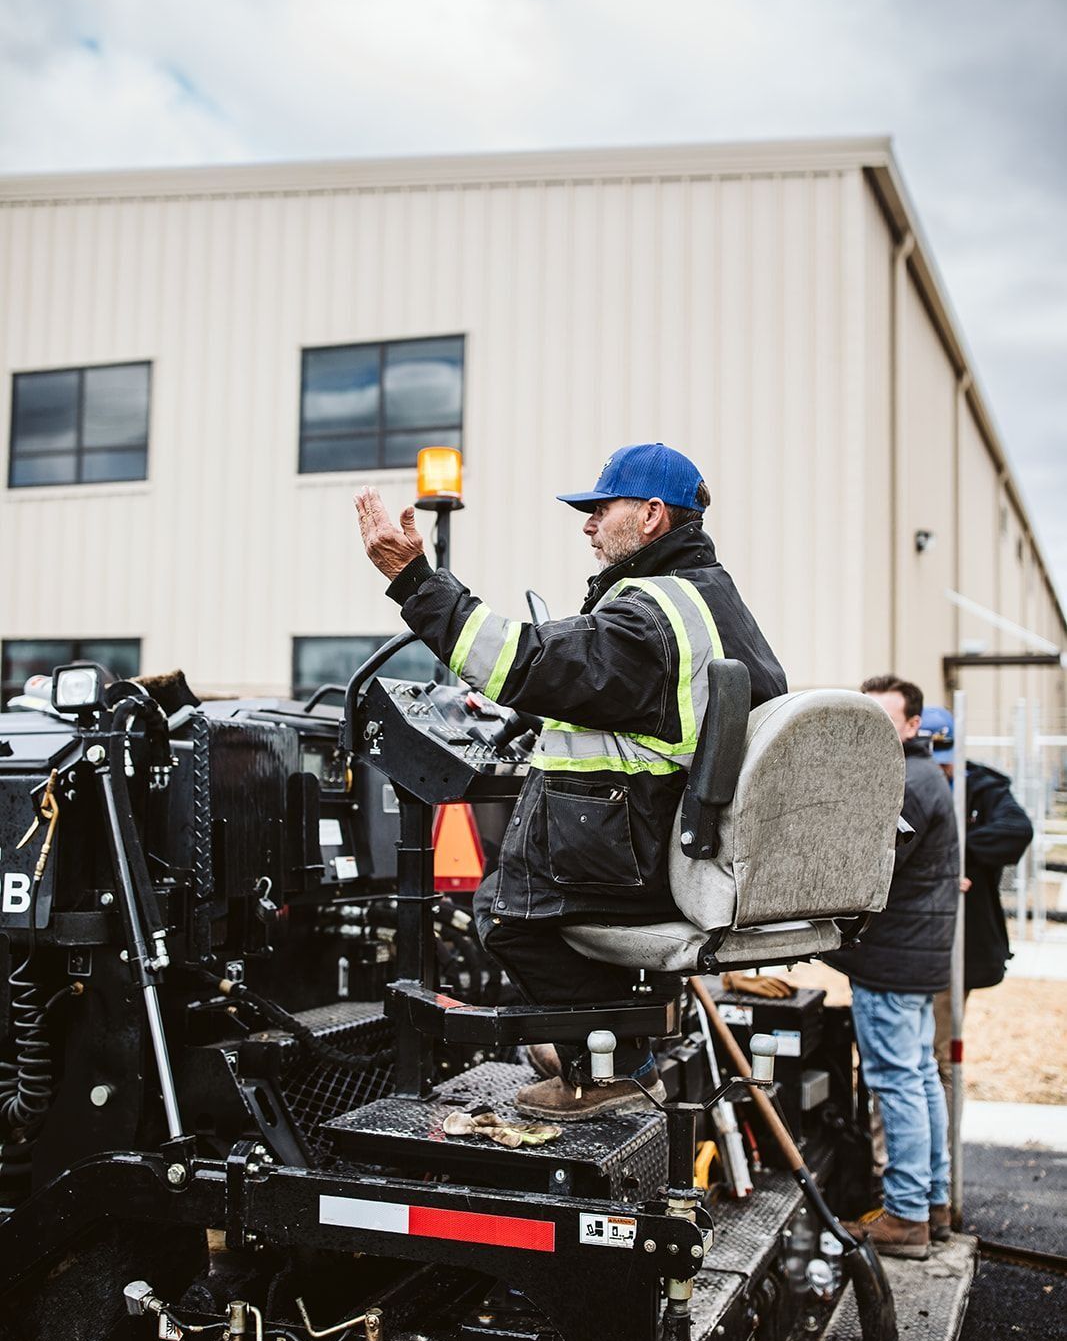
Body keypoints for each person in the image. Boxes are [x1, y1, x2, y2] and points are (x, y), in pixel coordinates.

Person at [355, 442, 787, 1120]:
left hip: (636, 850)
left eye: (598, 509)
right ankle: (606, 1041)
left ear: (648, 516)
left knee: (507, 911)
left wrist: (414, 581)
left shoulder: (645, 613)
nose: (586, 524)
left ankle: (608, 1064)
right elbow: (624, 694)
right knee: (531, 902)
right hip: (685, 838)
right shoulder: (709, 599)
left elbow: (521, 662)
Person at [829, 675, 959, 1259]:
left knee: (897, 1082)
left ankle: (906, 1216)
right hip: (914, 957)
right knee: (920, 1077)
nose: (875, 728)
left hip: (894, 961)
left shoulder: (905, 780)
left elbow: (867, 864)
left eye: (888, 719)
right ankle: (932, 1202)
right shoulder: (924, 775)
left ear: (913, 726)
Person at [920, 706, 1033, 1106]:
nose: (943, 771)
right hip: (910, 939)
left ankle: (941, 1159)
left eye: (948, 763)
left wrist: (957, 854)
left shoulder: (983, 787)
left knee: (939, 1056)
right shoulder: (908, 783)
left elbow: (1016, 830)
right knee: (912, 1059)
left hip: (956, 942)